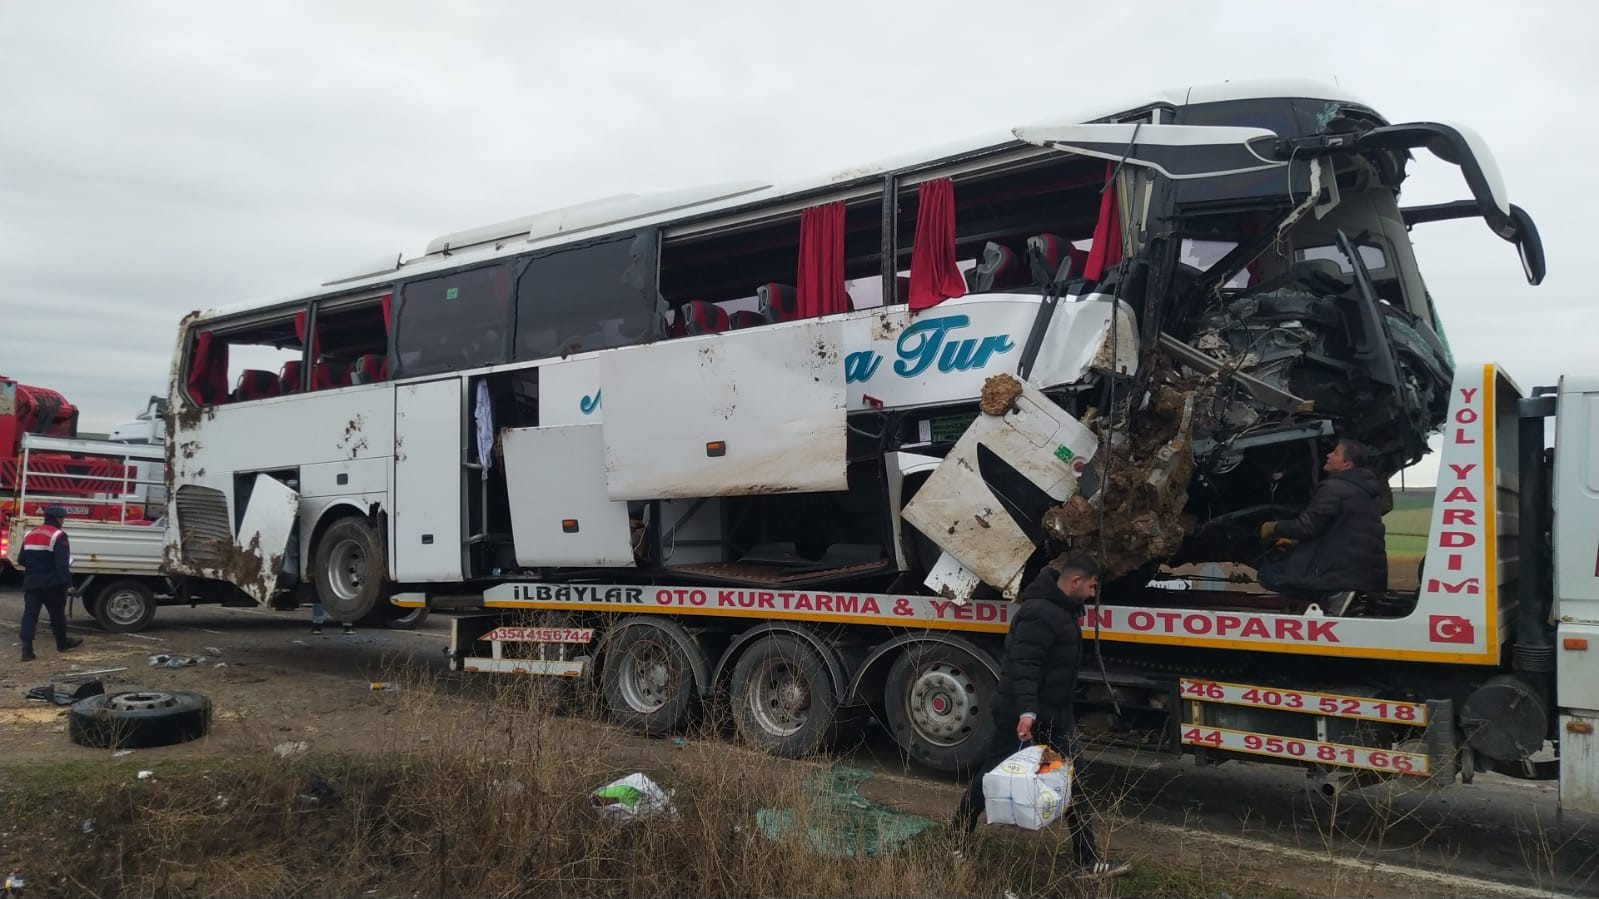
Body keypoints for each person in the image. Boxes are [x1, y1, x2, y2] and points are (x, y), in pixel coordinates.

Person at [952, 553, 1129, 879]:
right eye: (1091, 586)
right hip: (1021, 714)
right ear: (1074, 581)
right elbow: (1024, 667)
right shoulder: (1039, 614)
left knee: (1074, 779)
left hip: (1055, 714)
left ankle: (1086, 861)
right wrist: (1027, 711)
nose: (1092, 594)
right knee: (991, 775)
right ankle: (957, 834)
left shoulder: (1062, 610)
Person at [1258, 438, 1389, 604]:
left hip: (1341, 574)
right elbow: (1338, 532)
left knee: (1267, 574)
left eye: (1335, 453)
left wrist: (1274, 528)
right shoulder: (1366, 492)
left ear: (1347, 465)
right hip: (1367, 573)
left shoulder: (1335, 487)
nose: (1328, 455)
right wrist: (1295, 543)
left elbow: (1306, 526)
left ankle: (1330, 597)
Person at [17, 506, 84, 662]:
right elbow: (61, 565)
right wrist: (69, 586)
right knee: (57, 614)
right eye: (63, 518)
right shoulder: (58, 535)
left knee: (30, 615)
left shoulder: (30, 534)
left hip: (32, 582)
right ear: (57, 519)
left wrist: (35, 567)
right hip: (52, 584)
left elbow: (21, 559)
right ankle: (62, 644)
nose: (63, 521)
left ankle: (26, 651)